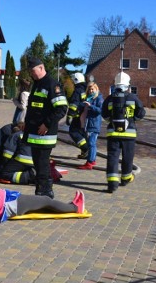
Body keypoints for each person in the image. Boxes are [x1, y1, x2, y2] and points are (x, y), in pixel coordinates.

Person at [23, 57, 68, 198]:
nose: (31, 73)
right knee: (38, 165)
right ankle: (41, 191)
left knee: (42, 165)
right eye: (30, 71)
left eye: (33, 71)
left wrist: (47, 124)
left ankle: (45, 192)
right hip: (35, 135)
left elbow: (61, 108)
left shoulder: (52, 84)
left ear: (41, 68)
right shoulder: (37, 84)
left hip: (44, 135)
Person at [101, 72, 146, 193]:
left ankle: (112, 183)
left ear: (115, 84)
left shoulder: (109, 99)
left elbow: (104, 115)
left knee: (112, 157)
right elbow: (141, 113)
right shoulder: (133, 98)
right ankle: (126, 178)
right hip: (129, 134)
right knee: (128, 157)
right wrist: (132, 121)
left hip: (113, 133)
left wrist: (112, 121)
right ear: (128, 85)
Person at [0, 186, 85, 220]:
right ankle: (74, 207)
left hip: (10, 202)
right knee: (45, 200)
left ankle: (68, 206)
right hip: (12, 204)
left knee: (43, 204)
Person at [77, 82, 104, 170]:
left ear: (96, 89)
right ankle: (92, 160)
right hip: (87, 124)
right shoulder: (88, 98)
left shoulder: (99, 98)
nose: (91, 91)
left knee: (92, 143)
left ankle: (90, 162)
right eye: (89, 89)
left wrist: (91, 106)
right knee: (90, 143)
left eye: (92, 89)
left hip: (94, 124)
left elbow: (100, 110)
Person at [67, 72, 89, 159]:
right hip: (82, 115)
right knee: (81, 133)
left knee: (73, 132)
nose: (72, 83)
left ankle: (85, 149)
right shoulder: (83, 90)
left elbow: (74, 104)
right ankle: (85, 152)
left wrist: (70, 115)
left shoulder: (77, 91)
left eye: (73, 81)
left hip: (76, 116)